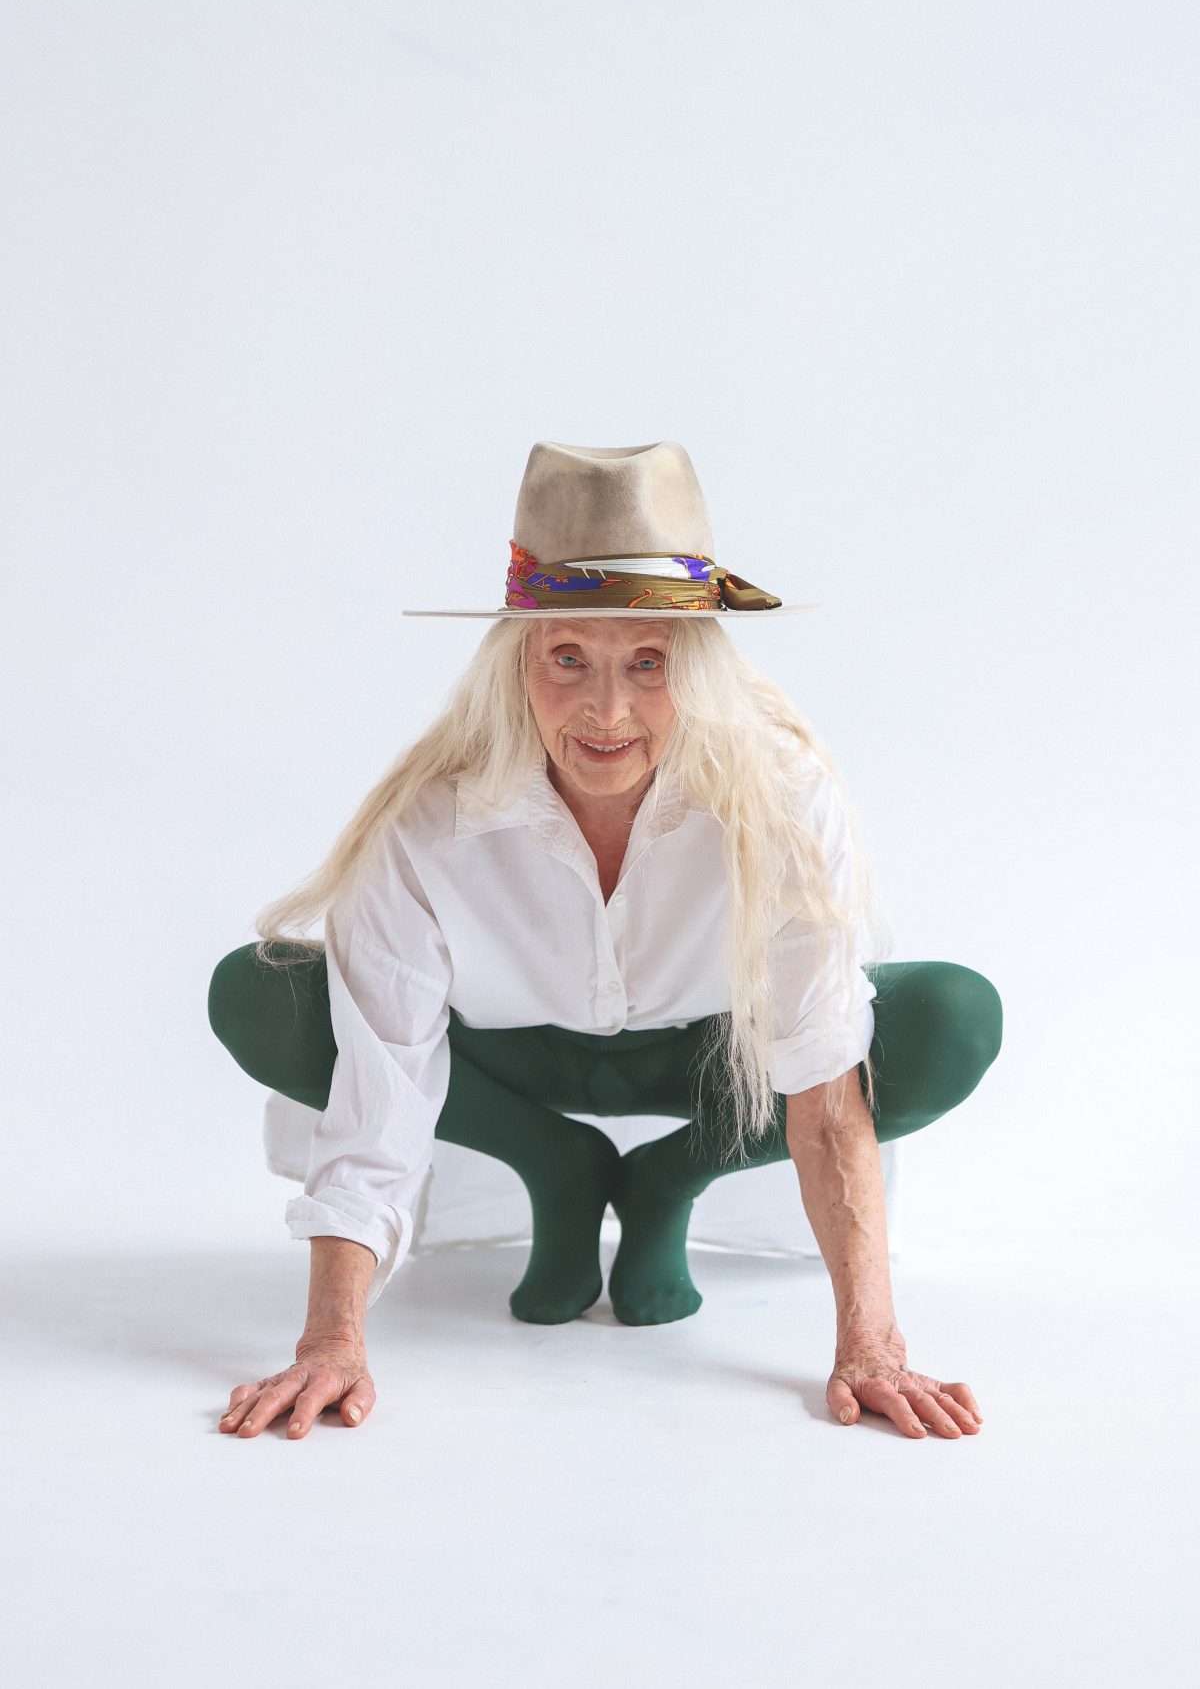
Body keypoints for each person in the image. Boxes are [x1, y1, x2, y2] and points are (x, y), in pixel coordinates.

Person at [208, 440, 1001, 1444]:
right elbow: (384, 1094)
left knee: (952, 1017)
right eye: (568, 657)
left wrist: (872, 1347)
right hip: (503, 1062)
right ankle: (556, 1160)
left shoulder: (783, 793)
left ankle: (672, 1176)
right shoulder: (428, 820)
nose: (607, 709)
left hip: (713, 1062)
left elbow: (821, 1083)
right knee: (259, 991)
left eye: (649, 663)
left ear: (697, 666)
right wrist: (331, 1341)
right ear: (518, 659)